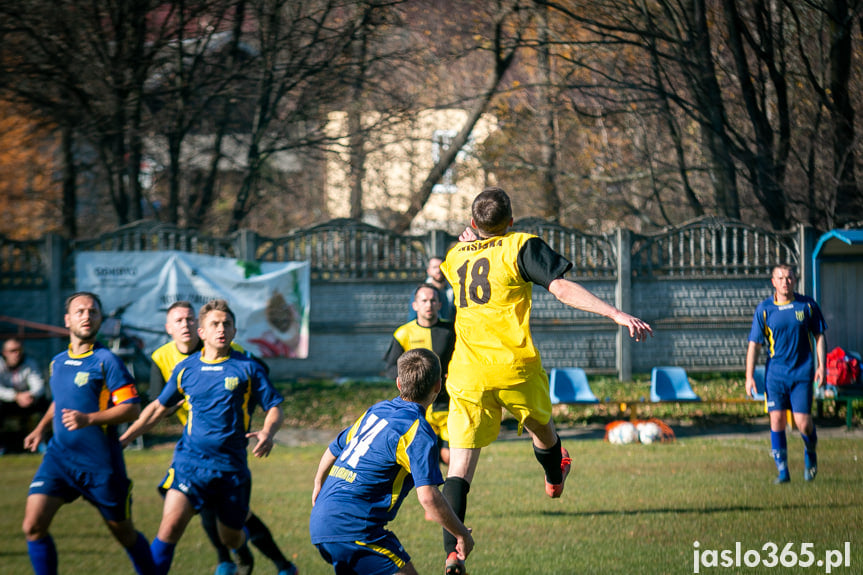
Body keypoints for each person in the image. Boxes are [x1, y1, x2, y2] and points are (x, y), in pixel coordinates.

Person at [439, 187, 653, 574]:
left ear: (472, 224)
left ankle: (453, 554)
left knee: (458, 468)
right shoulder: (520, 245)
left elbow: (466, 250)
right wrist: (615, 313)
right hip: (512, 367)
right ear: (511, 222)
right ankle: (555, 472)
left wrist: (470, 238)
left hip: (467, 373)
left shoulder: (453, 258)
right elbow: (561, 288)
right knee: (543, 431)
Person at [120, 299, 286, 575]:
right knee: (170, 526)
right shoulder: (186, 369)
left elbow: (274, 407)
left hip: (230, 468)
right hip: (190, 463)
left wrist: (267, 432)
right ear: (202, 332)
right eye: (214, 324)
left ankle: (240, 550)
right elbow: (157, 408)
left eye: (227, 324)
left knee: (230, 537)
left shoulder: (248, 367)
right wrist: (125, 437)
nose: (221, 329)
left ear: (234, 332)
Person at [21, 292, 155, 575]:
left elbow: (131, 409)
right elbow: (61, 400)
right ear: (67, 319)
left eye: (93, 312)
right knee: (32, 526)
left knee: (125, 534)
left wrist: (89, 418)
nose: (87, 316)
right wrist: (40, 428)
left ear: (100, 319)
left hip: (100, 467)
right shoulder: (57, 362)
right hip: (59, 460)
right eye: (80, 311)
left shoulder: (107, 361)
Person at [310, 348, 473, 575]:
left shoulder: (376, 411)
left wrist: (319, 483)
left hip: (321, 522)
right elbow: (428, 496)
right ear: (438, 385)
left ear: (398, 383)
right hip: (356, 529)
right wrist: (461, 534)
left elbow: (333, 448)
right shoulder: (417, 430)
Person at [745, 264, 827, 484]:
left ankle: (810, 451)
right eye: (780, 278)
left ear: (794, 280)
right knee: (777, 420)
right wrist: (749, 376)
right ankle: (783, 472)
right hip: (776, 375)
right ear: (773, 282)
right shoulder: (764, 309)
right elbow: (754, 344)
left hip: (802, 372)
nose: (785, 281)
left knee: (803, 423)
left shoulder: (807, 306)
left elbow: (819, 336)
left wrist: (822, 366)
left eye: (789, 277)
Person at [384, 284, 456, 464]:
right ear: (415, 305)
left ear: (440, 305)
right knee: (425, 457)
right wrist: (412, 382)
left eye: (433, 300)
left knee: (450, 457)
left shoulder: (452, 331)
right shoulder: (403, 333)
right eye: (424, 300)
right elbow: (392, 368)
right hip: (418, 406)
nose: (428, 304)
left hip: (448, 402)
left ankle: (452, 490)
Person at [0, 337, 49, 453]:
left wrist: (30, 395)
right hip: (6, 403)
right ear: (5, 353)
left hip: (27, 402)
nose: (17, 354)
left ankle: (43, 441)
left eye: (19, 350)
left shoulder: (29, 362)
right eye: (13, 351)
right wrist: (15, 396)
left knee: (45, 404)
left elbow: (39, 385)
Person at [407, 257, 455, 322]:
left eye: (441, 267)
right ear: (428, 271)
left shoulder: (455, 291)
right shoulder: (419, 292)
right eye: (434, 267)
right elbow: (413, 318)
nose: (438, 270)